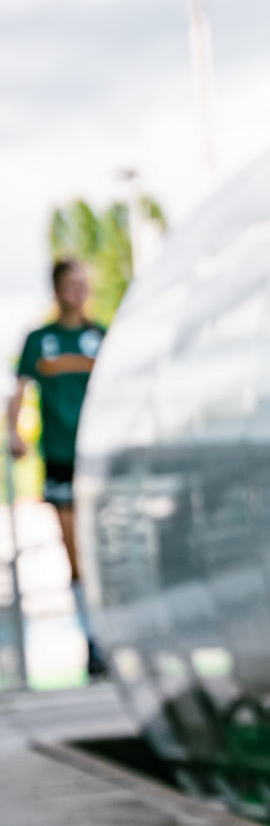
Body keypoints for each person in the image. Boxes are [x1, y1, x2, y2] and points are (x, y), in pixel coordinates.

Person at [9, 258, 108, 678]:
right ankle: (93, 641)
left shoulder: (101, 338)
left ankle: (110, 633)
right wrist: (14, 433)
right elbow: (19, 390)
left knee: (101, 548)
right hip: (61, 457)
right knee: (75, 552)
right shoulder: (40, 339)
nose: (78, 291)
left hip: (98, 456)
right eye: (71, 284)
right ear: (57, 289)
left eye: (84, 284)